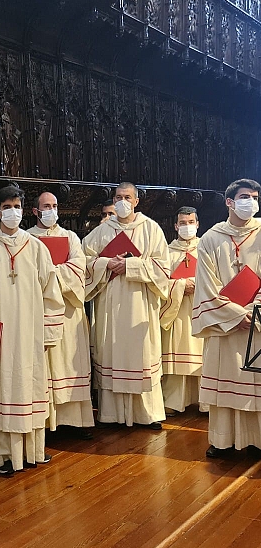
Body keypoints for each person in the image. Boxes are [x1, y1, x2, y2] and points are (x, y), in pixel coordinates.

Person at [0, 186, 64, 475]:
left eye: (17, 206)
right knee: (2, 385)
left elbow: (51, 292)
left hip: (30, 331)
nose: (13, 211)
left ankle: (33, 451)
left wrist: (48, 333)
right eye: (7, 206)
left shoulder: (35, 246)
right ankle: (2, 457)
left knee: (31, 382)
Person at [82, 182, 169, 429]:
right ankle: (111, 414)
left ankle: (147, 414)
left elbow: (164, 268)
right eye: (118, 197)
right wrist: (106, 264)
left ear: (136, 201)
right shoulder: (101, 231)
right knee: (111, 351)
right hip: (110, 303)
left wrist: (130, 266)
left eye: (127, 197)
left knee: (141, 353)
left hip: (140, 302)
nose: (123, 201)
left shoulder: (151, 229)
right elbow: (84, 261)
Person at [192, 179, 261, 458]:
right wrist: (236, 315)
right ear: (229, 202)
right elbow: (206, 286)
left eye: (255, 197)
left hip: (257, 324)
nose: (251, 202)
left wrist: (255, 311)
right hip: (225, 326)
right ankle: (223, 442)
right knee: (225, 380)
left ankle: (257, 440)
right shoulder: (210, 238)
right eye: (245, 196)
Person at [27, 192, 94, 438]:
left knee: (70, 362)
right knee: (48, 365)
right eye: (46, 206)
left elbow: (78, 268)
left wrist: (48, 273)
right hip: (41, 311)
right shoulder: (26, 240)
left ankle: (76, 421)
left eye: (54, 206)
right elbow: (26, 273)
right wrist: (51, 273)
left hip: (69, 311)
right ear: (35, 211)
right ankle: (47, 423)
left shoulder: (70, 237)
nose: (51, 210)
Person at [160, 207, 206, 414]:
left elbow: (218, 277)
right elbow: (159, 282)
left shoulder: (206, 248)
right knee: (176, 354)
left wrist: (198, 284)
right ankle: (173, 401)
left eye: (190, 222)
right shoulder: (166, 252)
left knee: (202, 354)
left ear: (197, 224)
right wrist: (179, 286)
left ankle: (203, 401)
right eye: (182, 223)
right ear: (176, 226)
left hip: (201, 310)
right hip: (176, 310)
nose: (187, 226)